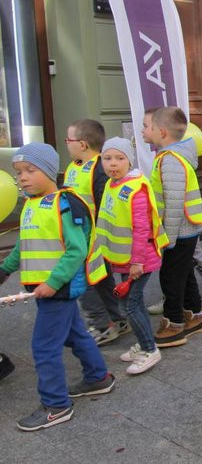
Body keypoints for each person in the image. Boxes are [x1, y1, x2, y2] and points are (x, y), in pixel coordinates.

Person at [0, 143, 115, 431]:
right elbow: (24, 247)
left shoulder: (65, 203)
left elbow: (76, 250)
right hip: (46, 289)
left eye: (30, 170)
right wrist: (4, 270)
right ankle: (98, 377)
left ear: (49, 171)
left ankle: (56, 405)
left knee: (43, 347)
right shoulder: (31, 204)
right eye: (18, 172)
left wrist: (53, 282)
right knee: (75, 335)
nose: (22, 177)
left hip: (59, 290)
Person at [92, 138, 169, 374]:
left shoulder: (136, 188)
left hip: (140, 260)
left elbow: (142, 229)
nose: (113, 164)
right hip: (122, 258)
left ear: (129, 161)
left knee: (132, 305)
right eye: (107, 158)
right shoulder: (111, 184)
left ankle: (149, 349)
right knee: (127, 302)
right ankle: (142, 341)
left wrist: (137, 261)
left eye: (119, 158)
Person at [142, 106, 202, 348]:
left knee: (171, 277)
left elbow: (175, 201)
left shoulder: (170, 160)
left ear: (161, 132)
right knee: (184, 273)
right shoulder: (168, 157)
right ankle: (194, 315)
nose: (142, 130)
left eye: (146, 126)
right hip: (183, 230)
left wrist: (167, 237)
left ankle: (174, 323)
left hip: (178, 231)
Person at [64, 119, 128, 345]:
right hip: (78, 234)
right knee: (101, 279)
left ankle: (102, 325)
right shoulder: (74, 166)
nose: (66, 144)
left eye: (68, 140)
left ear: (82, 144)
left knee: (84, 282)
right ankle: (117, 319)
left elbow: (104, 204)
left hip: (90, 237)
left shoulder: (99, 169)